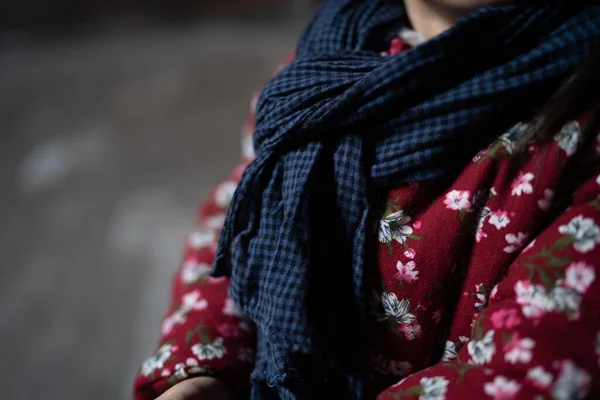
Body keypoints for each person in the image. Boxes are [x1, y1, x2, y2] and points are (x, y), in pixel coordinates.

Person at [134, 0, 600, 398]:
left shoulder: (580, 129)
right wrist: (202, 369)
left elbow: (525, 374)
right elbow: (242, 215)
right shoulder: (329, 53)